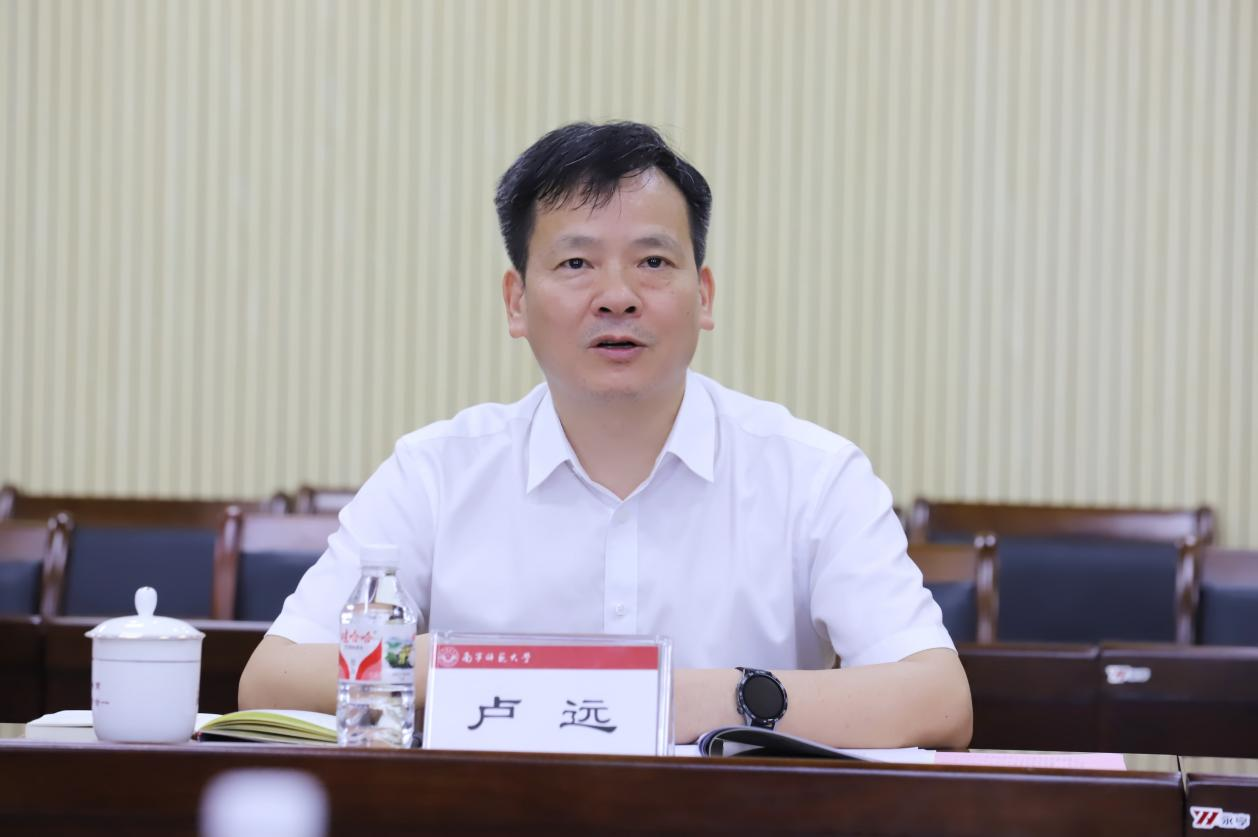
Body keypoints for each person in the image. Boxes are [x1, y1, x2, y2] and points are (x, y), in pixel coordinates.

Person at [239, 121, 972, 748]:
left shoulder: (812, 474)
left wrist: (680, 697)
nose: (617, 296)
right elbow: (272, 677)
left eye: (653, 261)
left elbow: (938, 701)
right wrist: (470, 671)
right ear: (516, 301)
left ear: (703, 295)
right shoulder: (435, 472)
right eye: (576, 263)